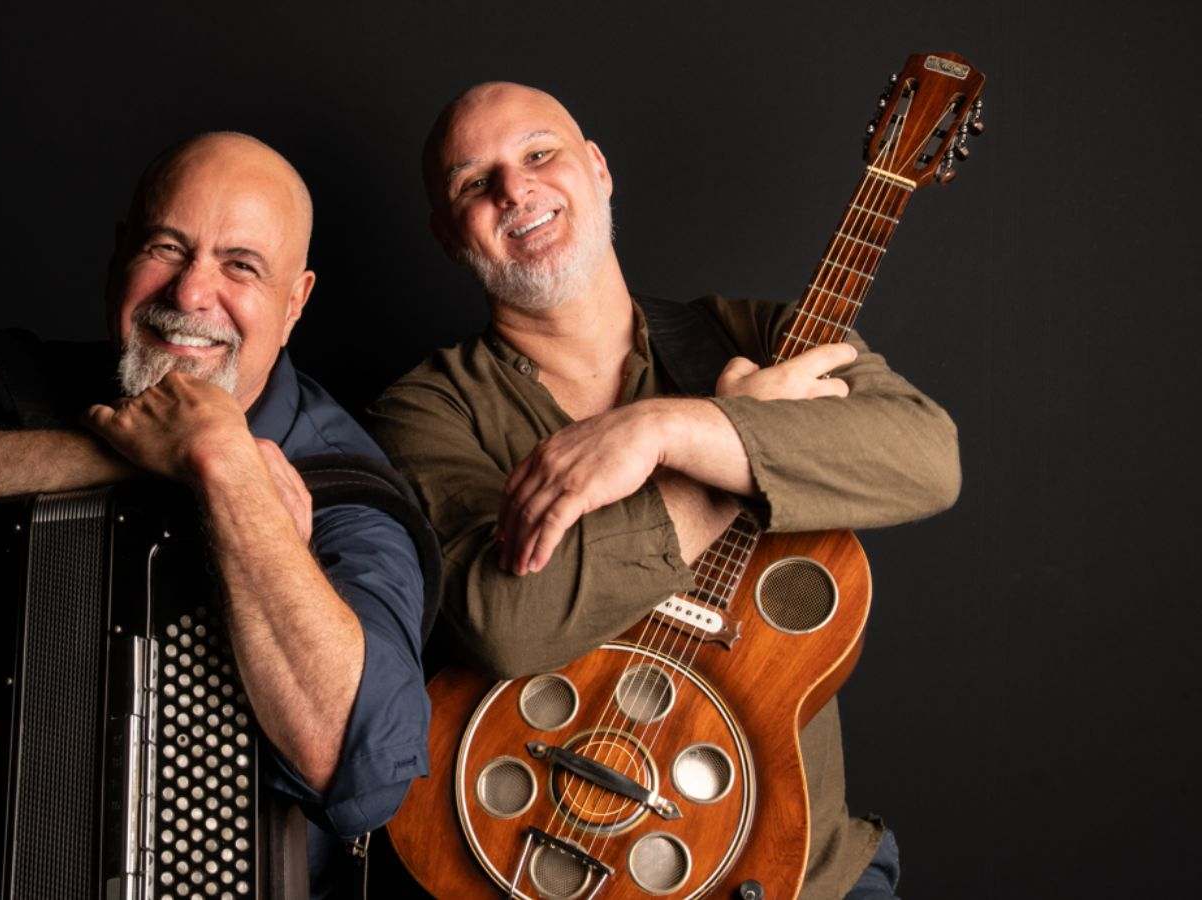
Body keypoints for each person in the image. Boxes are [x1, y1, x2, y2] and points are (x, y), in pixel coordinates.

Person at [368, 82, 961, 899]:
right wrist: (716, 474)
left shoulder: (756, 339)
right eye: (476, 182)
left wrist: (668, 431)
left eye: (541, 154)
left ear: (599, 170)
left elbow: (927, 457)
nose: (517, 190)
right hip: (557, 856)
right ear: (447, 232)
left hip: (803, 878)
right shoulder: (428, 411)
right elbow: (505, 623)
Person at [0, 132, 430, 896]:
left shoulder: (346, 487)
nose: (191, 294)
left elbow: (364, 772)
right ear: (120, 256)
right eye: (168, 247)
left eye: (240, 265)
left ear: (295, 302)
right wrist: (135, 451)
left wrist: (228, 468)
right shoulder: (2, 382)